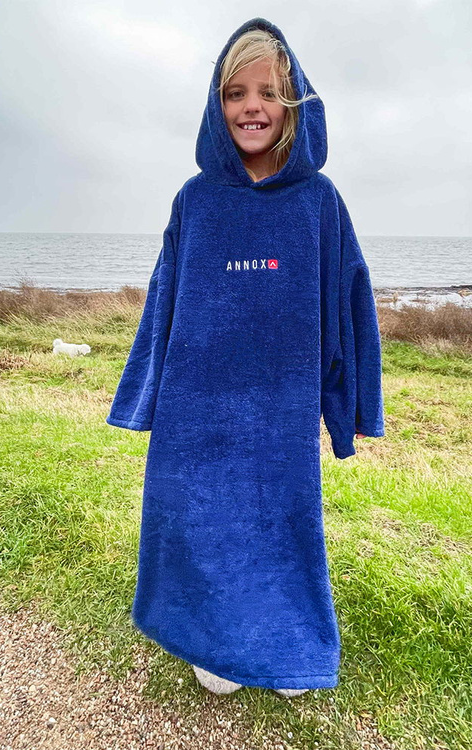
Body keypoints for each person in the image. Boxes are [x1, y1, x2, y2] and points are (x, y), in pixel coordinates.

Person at [106, 17, 385, 698]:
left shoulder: (319, 202)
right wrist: (144, 401)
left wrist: (351, 410)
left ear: (291, 104)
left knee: (280, 526)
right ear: (217, 104)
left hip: (281, 410)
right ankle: (212, 643)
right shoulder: (195, 200)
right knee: (203, 525)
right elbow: (164, 300)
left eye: (267, 93)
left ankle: (286, 646)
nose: (251, 107)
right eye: (236, 93)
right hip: (196, 408)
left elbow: (348, 303)